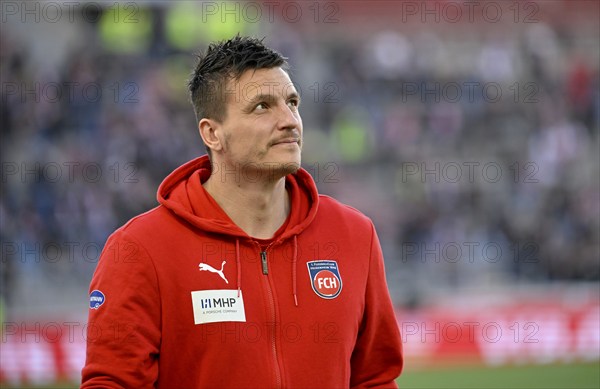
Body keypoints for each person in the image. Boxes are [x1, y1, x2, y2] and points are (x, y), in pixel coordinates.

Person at [81, 35, 403, 388]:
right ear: (212, 134)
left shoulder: (354, 235)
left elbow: (375, 378)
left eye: (292, 102)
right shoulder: (140, 249)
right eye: (262, 106)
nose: (290, 121)